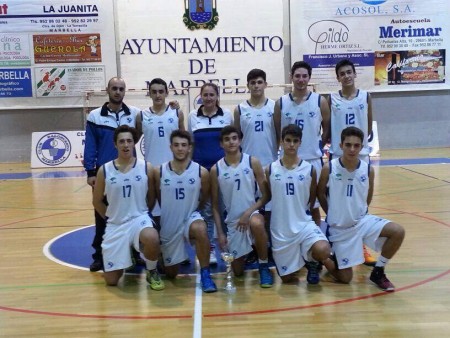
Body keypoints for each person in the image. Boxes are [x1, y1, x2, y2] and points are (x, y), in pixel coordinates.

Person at [317, 126, 405, 292]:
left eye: (356, 145)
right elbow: (320, 193)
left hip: (362, 222)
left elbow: (368, 197)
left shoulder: (367, 169)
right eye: (348, 144)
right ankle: (326, 257)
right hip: (340, 229)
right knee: (345, 279)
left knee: (397, 231)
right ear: (340, 145)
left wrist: (360, 213)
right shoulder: (329, 168)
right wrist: (332, 213)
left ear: (362, 147)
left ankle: (378, 272)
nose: (352, 149)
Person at [92, 125, 164, 290]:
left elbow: (151, 198)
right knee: (111, 281)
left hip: (139, 219)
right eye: (122, 141)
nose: (126, 145)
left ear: (134, 144)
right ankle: (129, 253)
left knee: (152, 236)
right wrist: (110, 218)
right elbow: (97, 201)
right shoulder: (105, 170)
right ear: (115, 144)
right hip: (116, 225)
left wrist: (143, 213)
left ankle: (152, 271)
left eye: (129, 141)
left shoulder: (147, 167)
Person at [84, 77, 143, 272]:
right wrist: (91, 172)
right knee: (102, 218)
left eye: (121, 89)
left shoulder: (134, 114)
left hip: (131, 173)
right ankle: (100, 256)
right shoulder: (94, 116)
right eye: (114, 88)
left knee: (132, 215)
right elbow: (90, 145)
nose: (118, 92)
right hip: (105, 175)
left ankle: (134, 253)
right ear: (108, 90)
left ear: (125, 91)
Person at [266, 124, 331, 284]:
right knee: (287, 279)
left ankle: (313, 261)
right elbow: (267, 202)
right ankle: (304, 256)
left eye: (295, 141)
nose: (291, 144)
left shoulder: (309, 169)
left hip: (303, 226)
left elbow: (312, 203)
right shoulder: (270, 169)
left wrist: (316, 228)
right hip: (281, 231)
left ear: (300, 143)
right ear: (281, 142)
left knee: (323, 249)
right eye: (288, 140)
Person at [210, 125, 273, 288]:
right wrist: (220, 233)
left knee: (257, 224)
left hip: (252, 213)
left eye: (234, 138)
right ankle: (250, 249)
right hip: (233, 222)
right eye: (226, 139)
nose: (231, 142)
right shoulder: (215, 169)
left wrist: (248, 213)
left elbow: (267, 195)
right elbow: (215, 205)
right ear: (221, 144)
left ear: (240, 140)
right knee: (237, 271)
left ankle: (264, 265)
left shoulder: (252, 162)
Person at [154, 130, 217, 293]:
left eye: (184, 145)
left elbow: (204, 198)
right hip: (169, 224)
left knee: (200, 228)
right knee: (171, 274)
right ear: (170, 147)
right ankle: (162, 256)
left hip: (191, 217)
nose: (180, 149)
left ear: (190, 148)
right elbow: (158, 198)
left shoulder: (201, 172)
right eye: (176, 145)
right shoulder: (159, 171)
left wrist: (191, 209)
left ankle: (205, 274)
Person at [329, 58, 376, 265]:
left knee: (360, 203)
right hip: (338, 155)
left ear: (355, 74)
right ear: (338, 78)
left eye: (349, 72)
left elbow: (367, 125)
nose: (346, 76)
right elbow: (327, 126)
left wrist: (360, 146)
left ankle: (363, 246)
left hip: (361, 153)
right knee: (336, 202)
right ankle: (335, 240)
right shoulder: (331, 99)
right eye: (342, 73)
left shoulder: (366, 97)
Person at [273, 61, 330, 226]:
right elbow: (278, 131)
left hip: (313, 159)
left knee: (314, 206)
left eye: (304, 76)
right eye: (297, 76)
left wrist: (318, 145)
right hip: (288, 162)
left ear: (309, 78)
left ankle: (315, 243)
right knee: (288, 203)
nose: (301, 79)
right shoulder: (281, 103)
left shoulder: (320, 101)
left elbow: (326, 128)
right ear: (291, 77)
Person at [234, 68, 277, 263]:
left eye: (260, 82)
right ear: (248, 86)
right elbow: (236, 138)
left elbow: (279, 134)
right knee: (250, 207)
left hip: (269, 164)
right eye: (253, 83)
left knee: (269, 208)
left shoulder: (274, 107)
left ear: (265, 84)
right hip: (247, 167)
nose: (256, 86)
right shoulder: (240, 109)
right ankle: (253, 246)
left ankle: (268, 246)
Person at [188, 83, 233, 265]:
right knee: (206, 211)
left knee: (224, 208)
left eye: (211, 95)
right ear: (200, 97)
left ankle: (227, 246)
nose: (208, 98)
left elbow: (232, 142)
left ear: (217, 96)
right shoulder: (193, 117)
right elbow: (190, 144)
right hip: (202, 172)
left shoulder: (227, 116)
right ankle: (210, 249)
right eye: (205, 95)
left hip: (223, 171)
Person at [136, 78, 184, 228]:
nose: (158, 95)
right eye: (154, 92)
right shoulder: (142, 116)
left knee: (174, 215)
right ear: (149, 94)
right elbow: (132, 140)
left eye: (161, 92)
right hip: (152, 172)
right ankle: (158, 250)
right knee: (155, 214)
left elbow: (185, 140)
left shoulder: (177, 113)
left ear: (167, 93)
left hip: (174, 171)